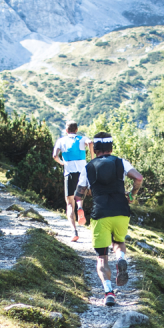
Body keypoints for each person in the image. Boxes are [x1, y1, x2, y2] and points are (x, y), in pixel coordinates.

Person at [75, 132, 143, 307]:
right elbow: (139, 178)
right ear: (111, 147)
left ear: (95, 149)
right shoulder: (121, 162)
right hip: (122, 211)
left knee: (101, 257)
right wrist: (132, 194)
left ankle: (109, 293)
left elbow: (78, 193)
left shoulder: (88, 167)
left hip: (100, 213)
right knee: (119, 241)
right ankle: (121, 258)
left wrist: (80, 209)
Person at [53, 121, 91, 242]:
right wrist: (92, 158)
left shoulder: (61, 140)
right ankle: (80, 207)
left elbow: (54, 155)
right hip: (82, 171)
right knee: (79, 196)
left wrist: (62, 163)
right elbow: (90, 142)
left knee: (69, 204)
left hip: (69, 172)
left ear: (66, 130)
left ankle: (74, 231)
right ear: (77, 129)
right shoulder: (82, 139)